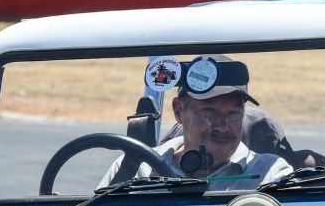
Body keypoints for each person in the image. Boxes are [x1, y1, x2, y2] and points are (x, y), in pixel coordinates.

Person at [98, 56, 293, 191]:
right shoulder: (137, 169)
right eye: (209, 112)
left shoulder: (271, 175)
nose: (222, 126)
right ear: (178, 111)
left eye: (233, 113)